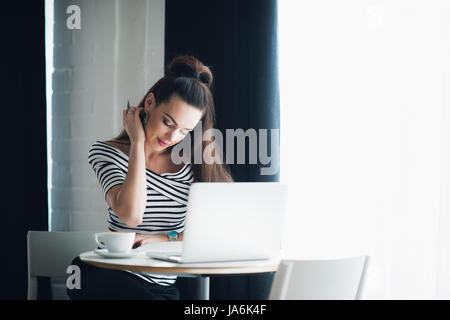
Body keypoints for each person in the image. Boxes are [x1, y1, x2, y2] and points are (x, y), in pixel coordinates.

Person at [68, 55, 233, 300]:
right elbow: (131, 214)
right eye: (168, 122)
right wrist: (137, 142)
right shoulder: (107, 153)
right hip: (107, 274)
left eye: (185, 130)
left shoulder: (196, 165)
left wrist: (166, 237)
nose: (173, 136)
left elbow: (220, 228)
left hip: (159, 288)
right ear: (150, 103)